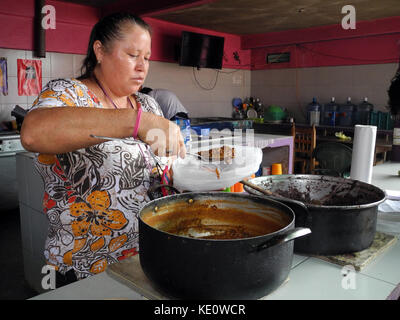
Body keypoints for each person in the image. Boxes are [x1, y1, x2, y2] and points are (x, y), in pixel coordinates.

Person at [20, 12, 186, 286]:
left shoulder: (149, 105)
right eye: (133, 54)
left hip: (148, 258)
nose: (142, 66)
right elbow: (33, 132)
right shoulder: (68, 94)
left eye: (146, 58)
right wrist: (136, 123)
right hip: (86, 265)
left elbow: (161, 172)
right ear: (100, 51)